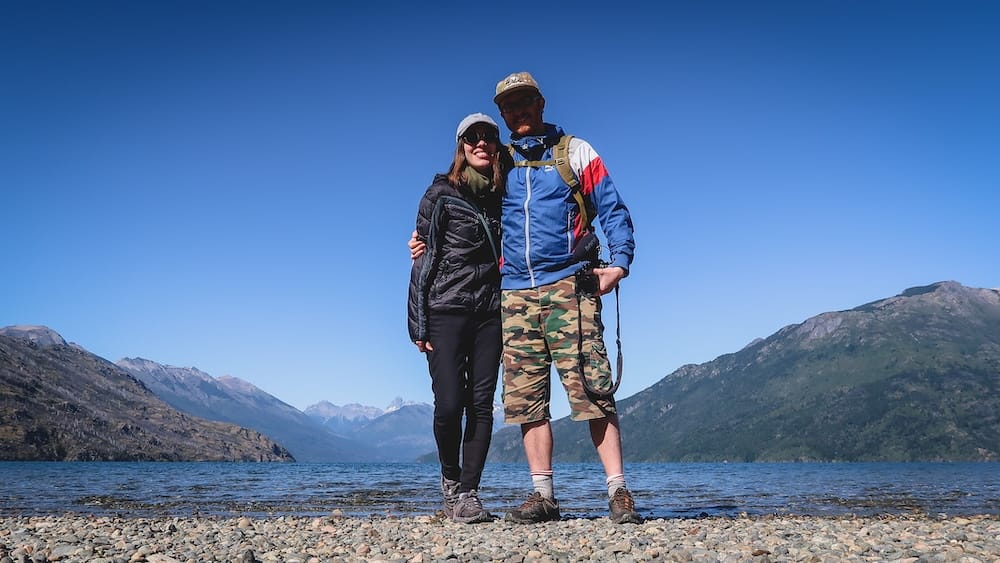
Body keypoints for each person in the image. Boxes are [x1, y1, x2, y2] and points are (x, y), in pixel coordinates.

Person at [412, 73, 641, 524]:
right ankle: (544, 497)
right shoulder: (500, 162)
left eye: (524, 102)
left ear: (540, 102)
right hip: (513, 293)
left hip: (569, 287)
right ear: (502, 114)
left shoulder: (575, 152)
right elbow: (461, 197)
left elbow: (612, 208)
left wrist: (619, 263)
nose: (517, 112)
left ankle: (618, 492)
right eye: (508, 107)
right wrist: (423, 239)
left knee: (592, 390)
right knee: (525, 399)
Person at [407, 113, 509, 524]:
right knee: (449, 404)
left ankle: (469, 494)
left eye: (488, 137)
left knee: (481, 405)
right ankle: (450, 481)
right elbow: (420, 260)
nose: (481, 143)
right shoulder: (440, 194)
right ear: (461, 145)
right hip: (445, 308)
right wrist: (417, 324)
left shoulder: (508, 194)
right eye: (472, 137)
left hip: (490, 314)